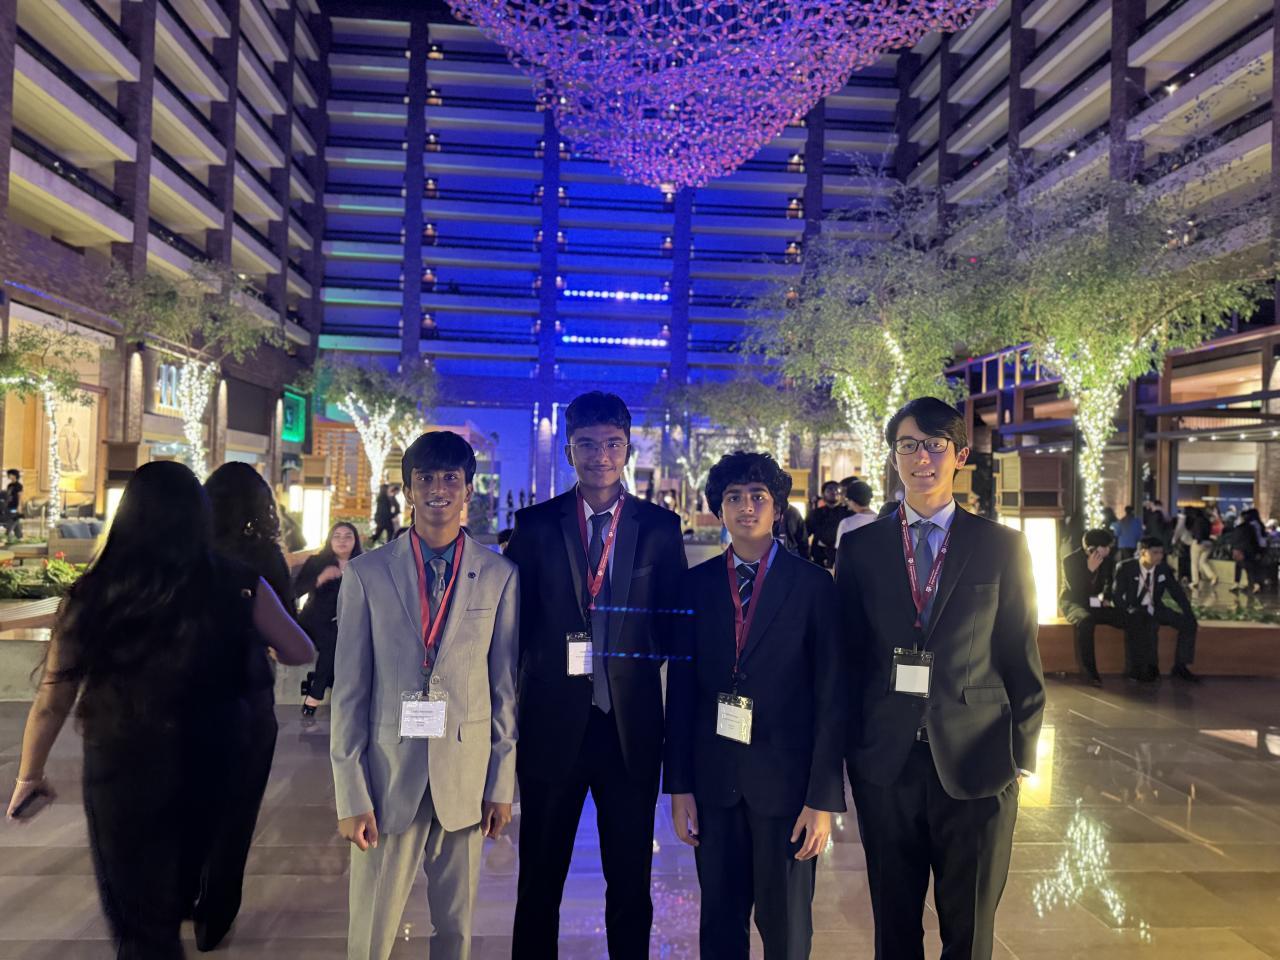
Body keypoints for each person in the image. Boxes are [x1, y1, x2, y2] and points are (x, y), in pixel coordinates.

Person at [5, 461, 313, 958]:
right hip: (210, 761)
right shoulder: (239, 583)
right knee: (173, 896)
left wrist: (30, 775)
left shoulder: (94, 592)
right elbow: (300, 649)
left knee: (138, 915)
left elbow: (53, 698)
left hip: (120, 767)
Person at [837, 397, 1044, 960]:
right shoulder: (860, 548)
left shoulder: (1001, 546)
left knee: (970, 929)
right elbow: (848, 659)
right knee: (894, 926)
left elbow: (1020, 655)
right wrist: (849, 752)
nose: (921, 458)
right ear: (893, 456)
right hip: (886, 762)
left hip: (979, 760)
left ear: (960, 455)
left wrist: (1021, 755)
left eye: (934, 445)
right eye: (908, 445)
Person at [506, 391, 687, 960]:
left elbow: (673, 623)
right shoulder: (534, 526)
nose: (600, 455)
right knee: (539, 881)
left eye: (612, 443)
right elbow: (518, 629)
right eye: (587, 444)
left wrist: (628, 663)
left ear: (628, 449)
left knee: (630, 883)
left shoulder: (660, 528)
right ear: (569, 450)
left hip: (630, 731)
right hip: (550, 726)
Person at [331, 431, 519, 960]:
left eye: (450, 478)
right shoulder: (367, 574)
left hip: (464, 778)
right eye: (426, 478)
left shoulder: (499, 576)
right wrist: (350, 795)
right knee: (371, 933)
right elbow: (349, 692)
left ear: (468, 489)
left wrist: (501, 784)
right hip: (388, 776)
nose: (439, 489)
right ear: (408, 489)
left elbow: (503, 690)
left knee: (456, 931)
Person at [665, 451, 845, 959]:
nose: (746, 507)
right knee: (720, 927)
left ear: (777, 508)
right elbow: (681, 691)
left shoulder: (813, 586)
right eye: (734, 498)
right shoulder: (695, 586)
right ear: (718, 509)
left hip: (788, 790)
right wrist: (679, 787)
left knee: (786, 930)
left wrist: (822, 799)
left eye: (758, 497)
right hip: (715, 784)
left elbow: (831, 696)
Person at [200, 461, 299, 949]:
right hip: (245, 695)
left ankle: (181, 893)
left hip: (183, 695)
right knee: (236, 811)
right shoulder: (263, 556)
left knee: (190, 802)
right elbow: (288, 634)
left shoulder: (186, 550)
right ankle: (214, 915)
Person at [296, 522, 363, 717]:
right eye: (337, 536)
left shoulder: (362, 564)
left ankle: (324, 687)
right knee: (334, 640)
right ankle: (315, 694)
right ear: (330, 540)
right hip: (314, 620)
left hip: (348, 622)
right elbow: (296, 590)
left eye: (348, 536)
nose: (342, 541)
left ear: (355, 541)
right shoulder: (316, 562)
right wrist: (320, 579)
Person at [1114, 536, 1199, 683]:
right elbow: (1116, 595)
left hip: (1156, 608)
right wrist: (1125, 611)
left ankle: (1181, 666)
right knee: (1149, 626)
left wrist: (1189, 613)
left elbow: (1177, 592)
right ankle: (1146, 668)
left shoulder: (1163, 569)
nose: (1159, 556)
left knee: (1189, 624)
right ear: (1143, 552)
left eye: (1161, 553)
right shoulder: (1126, 568)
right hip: (1135, 609)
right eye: (1155, 553)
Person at [1060, 529, 1125, 686]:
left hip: (1095, 601)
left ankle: (1137, 669)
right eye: (1105, 547)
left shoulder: (1107, 561)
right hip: (1074, 602)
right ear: (1092, 549)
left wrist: (1106, 597)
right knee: (1086, 622)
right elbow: (1076, 590)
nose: (1109, 550)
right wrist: (1089, 570)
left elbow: (1109, 582)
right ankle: (1090, 673)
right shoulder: (1070, 561)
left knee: (1126, 617)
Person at [805, 480, 849, 569]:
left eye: (837, 490)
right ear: (823, 494)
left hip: (841, 554)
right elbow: (805, 533)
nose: (834, 492)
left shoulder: (847, 513)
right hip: (819, 554)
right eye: (830, 489)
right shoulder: (815, 513)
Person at [835, 479, 876, 548]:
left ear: (852, 500)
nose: (848, 504)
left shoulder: (847, 523)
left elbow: (840, 550)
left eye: (847, 500)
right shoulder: (882, 519)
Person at [1187, 506, 1218, 589]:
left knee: (1194, 563)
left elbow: (1198, 532)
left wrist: (1197, 540)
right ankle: (1213, 577)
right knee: (1202, 562)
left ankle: (1195, 581)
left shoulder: (1197, 521)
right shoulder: (1207, 521)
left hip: (1198, 543)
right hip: (1208, 543)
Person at [3, 468, 22, 541]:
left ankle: (8, 533)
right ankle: (19, 536)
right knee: (15, 520)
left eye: (10, 474)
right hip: (9, 505)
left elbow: (20, 496)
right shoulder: (9, 485)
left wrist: (19, 506)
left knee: (13, 519)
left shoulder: (19, 485)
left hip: (15, 505)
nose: (8, 476)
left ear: (14, 475)